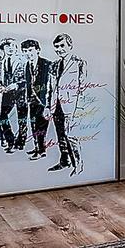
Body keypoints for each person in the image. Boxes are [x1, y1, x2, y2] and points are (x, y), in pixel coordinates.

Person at [47, 32, 87, 174]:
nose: (59, 49)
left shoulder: (79, 63)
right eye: (57, 47)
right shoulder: (54, 65)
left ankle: (78, 165)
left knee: (72, 137)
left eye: (62, 46)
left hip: (72, 106)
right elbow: (50, 88)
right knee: (61, 136)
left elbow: (83, 87)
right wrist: (49, 106)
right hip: (56, 105)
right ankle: (65, 161)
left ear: (70, 46)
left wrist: (79, 109)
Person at [0, 37, 26, 152]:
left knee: (22, 118)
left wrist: (16, 85)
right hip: (6, 95)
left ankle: (21, 142)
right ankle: (10, 140)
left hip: (21, 94)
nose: (10, 48)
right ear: (3, 49)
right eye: (7, 46)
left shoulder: (23, 62)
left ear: (16, 48)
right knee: (3, 116)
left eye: (13, 46)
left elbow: (27, 80)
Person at [21, 39, 52, 160]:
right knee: (33, 125)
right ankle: (38, 148)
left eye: (30, 50)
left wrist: (48, 104)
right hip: (32, 100)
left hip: (43, 100)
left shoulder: (47, 64)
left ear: (38, 50)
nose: (28, 53)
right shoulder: (27, 65)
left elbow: (50, 85)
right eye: (25, 51)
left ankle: (41, 151)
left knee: (41, 126)